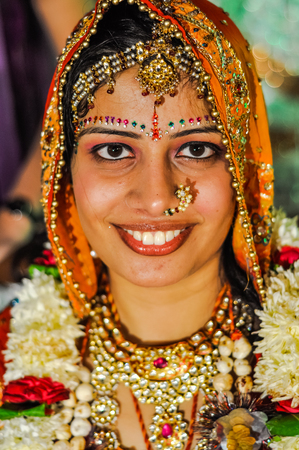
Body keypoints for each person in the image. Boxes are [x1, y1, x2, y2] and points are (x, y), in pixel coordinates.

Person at [0, 0, 298, 449]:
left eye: (196, 150)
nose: (157, 198)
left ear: (245, 167)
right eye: (114, 151)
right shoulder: (7, 353)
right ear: (63, 169)